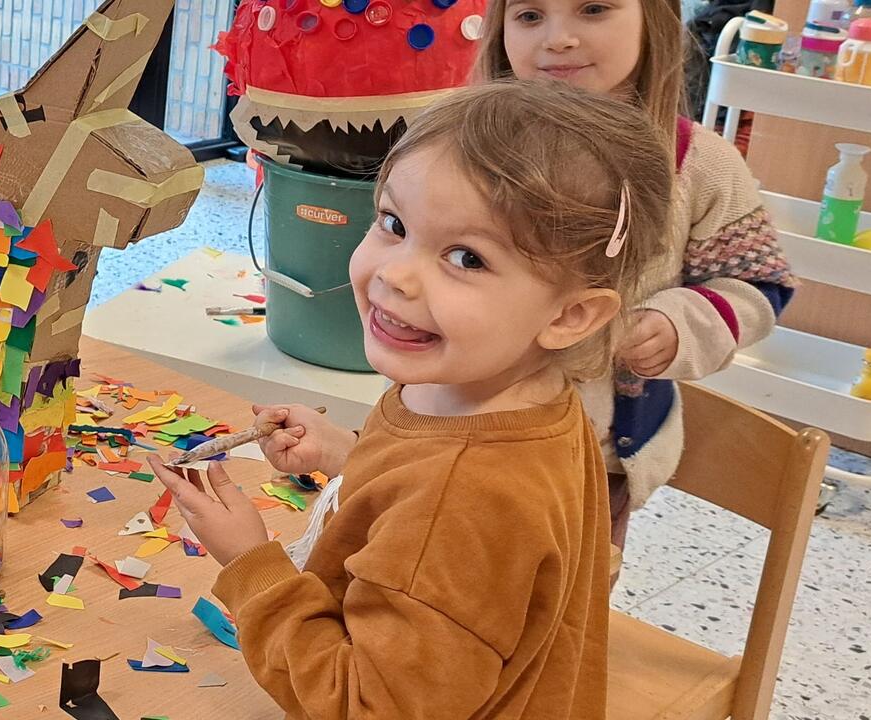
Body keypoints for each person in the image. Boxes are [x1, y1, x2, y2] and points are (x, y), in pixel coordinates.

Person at [147, 81, 671, 718]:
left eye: (465, 257)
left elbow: (366, 705)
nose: (395, 271)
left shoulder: (467, 496)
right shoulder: (508, 396)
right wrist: (348, 454)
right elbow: (433, 499)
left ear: (572, 314)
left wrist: (250, 562)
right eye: (394, 223)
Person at [474, 0, 797, 553]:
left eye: (593, 10)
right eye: (529, 15)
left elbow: (756, 284)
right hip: (452, 423)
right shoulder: (465, 147)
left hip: (593, 462)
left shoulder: (701, 165)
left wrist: (678, 324)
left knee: (559, 617)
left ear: (656, 20)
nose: (558, 39)